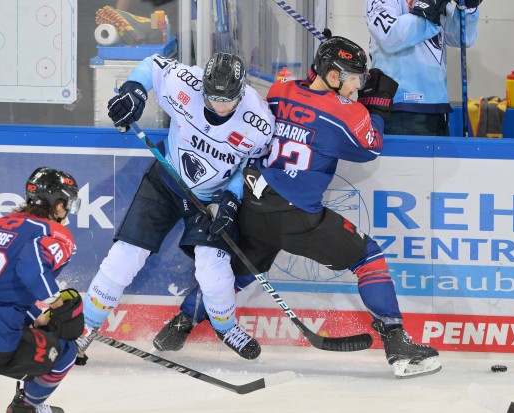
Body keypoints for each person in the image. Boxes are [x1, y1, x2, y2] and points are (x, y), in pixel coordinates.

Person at [154, 36, 441, 378]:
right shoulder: (347, 113)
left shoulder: (280, 89)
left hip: (254, 203)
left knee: (239, 273)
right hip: (296, 215)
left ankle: (180, 325)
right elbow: (371, 147)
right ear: (333, 76)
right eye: (354, 77)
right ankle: (397, 343)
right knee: (368, 256)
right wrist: (376, 106)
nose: (358, 84)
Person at [75, 52, 275, 364]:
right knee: (125, 256)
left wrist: (231, 200)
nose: (220, 107)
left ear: (242, 92)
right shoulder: (186, 82)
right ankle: (85, 329)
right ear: (203, 88)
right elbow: (151, 65)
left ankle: (226, 326)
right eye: (213, 99)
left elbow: (252, 167)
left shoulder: (259, 121)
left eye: (229, 100)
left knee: (212, 270)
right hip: (167, 179)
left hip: (211, 199)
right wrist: (133, 91)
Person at [0, 167, 84, 413]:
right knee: (66, 353)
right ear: (59, 205)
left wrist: (38, 317)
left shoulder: (1, 223)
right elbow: (32, 269)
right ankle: (27, 407)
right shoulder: (56, 233)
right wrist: (58, 306)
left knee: (39, 326)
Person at [365, 0, 482, 136]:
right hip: (401, 107)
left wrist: (467, 9)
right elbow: (389, 35)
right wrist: (429, 9)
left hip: (437, 105)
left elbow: (460, 37)